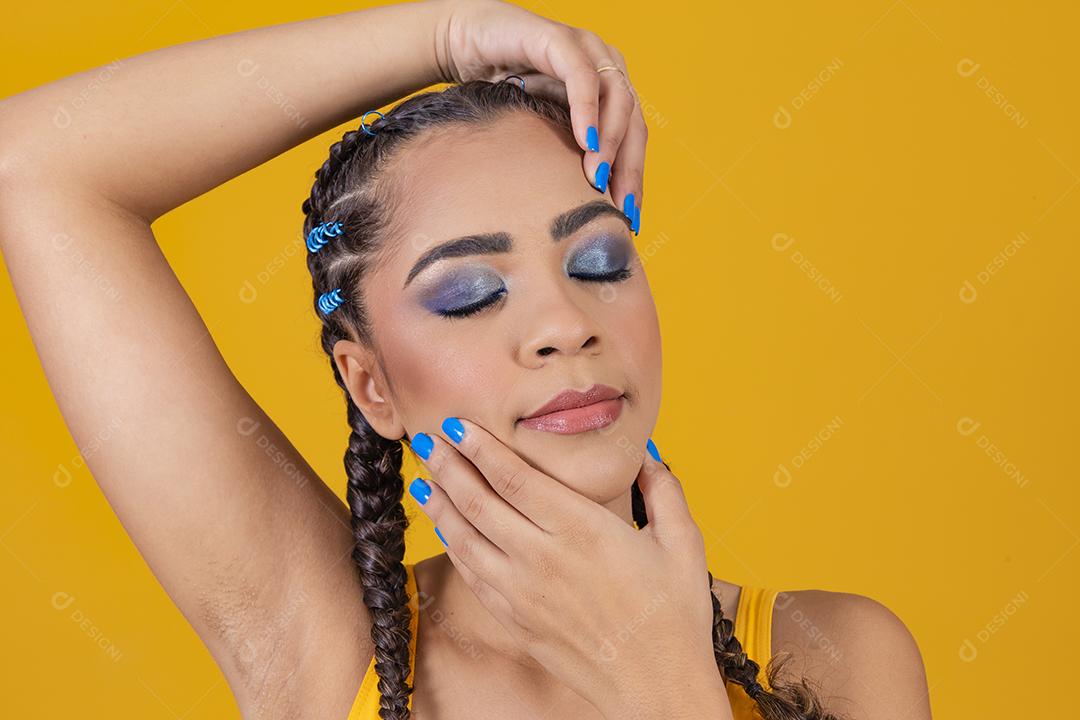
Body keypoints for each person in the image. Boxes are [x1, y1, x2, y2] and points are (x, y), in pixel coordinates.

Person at [0, 1, 931, 718]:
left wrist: (663, 679)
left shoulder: (838, 656)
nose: (564, 323)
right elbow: (34, 166)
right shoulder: (330, 653)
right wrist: (445, 33)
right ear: (371, 385)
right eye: (470, 294)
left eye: (598, 263)